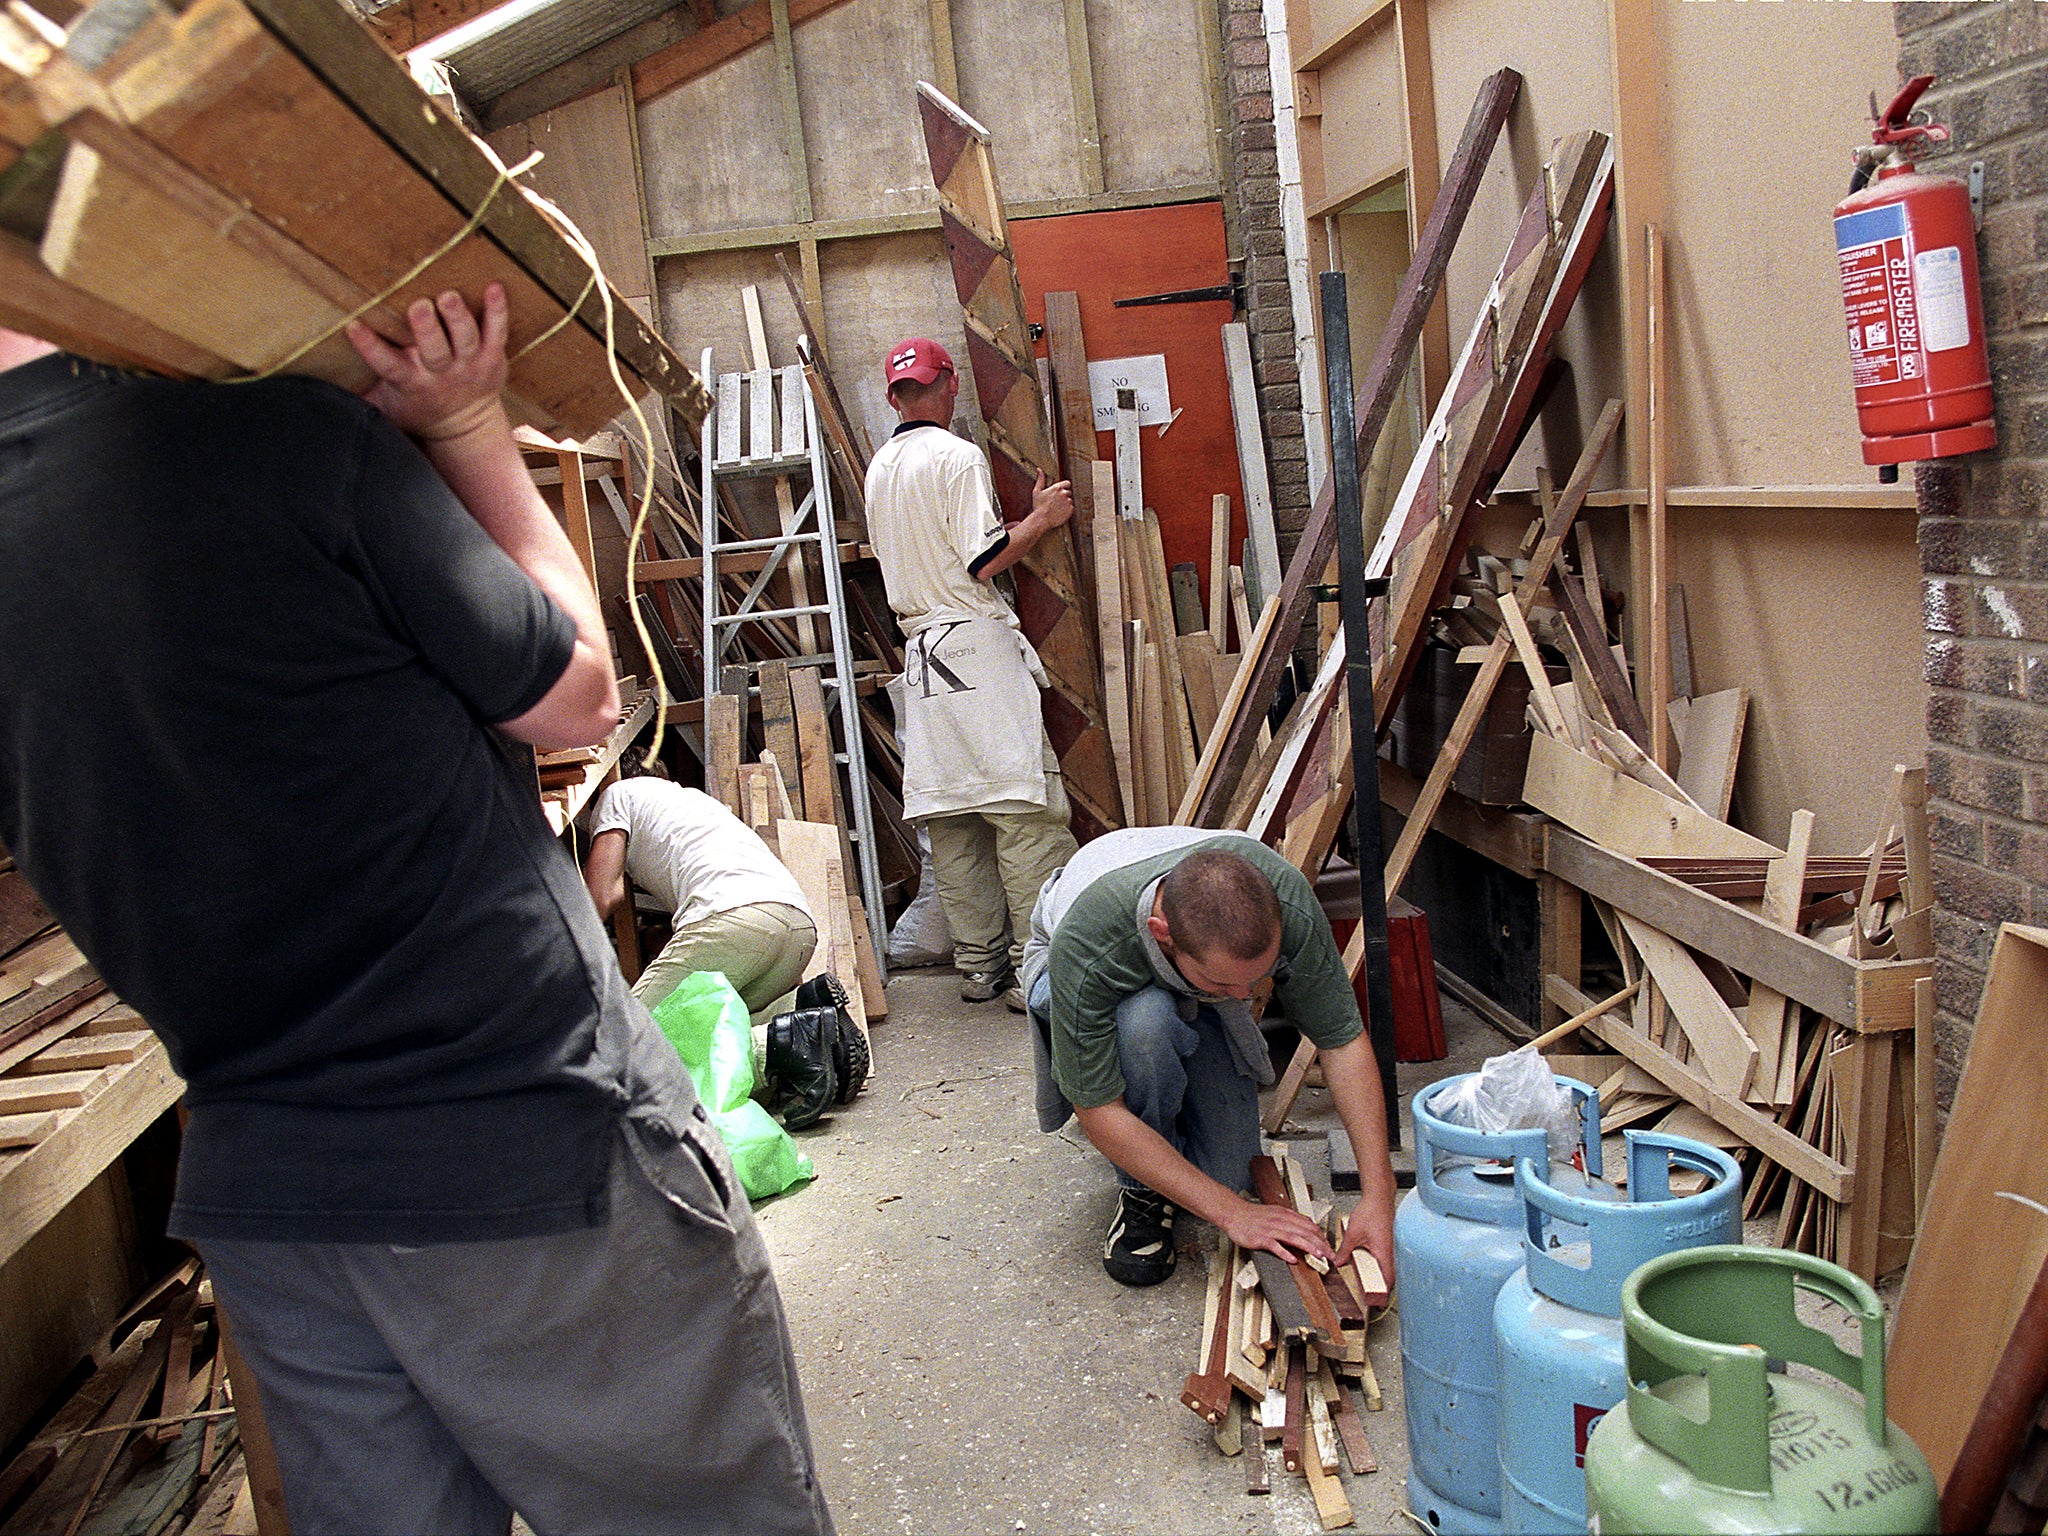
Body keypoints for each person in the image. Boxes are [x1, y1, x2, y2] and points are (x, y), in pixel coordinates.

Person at [0, 290, 833, 1534]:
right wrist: (469, 425)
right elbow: (576, 696)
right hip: (522, 1137)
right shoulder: (270, 434)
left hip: (272, 1197)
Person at [1020, 828, 1398, 1291]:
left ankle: (1166, 1100)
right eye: (1226, 985)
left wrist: (1379, 1198)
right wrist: (1234, 1214)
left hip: (1174, 963)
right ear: (1163, 935)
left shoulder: (1285, 899)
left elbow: (1342, 1043)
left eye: (1257, 979)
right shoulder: (1089, 947)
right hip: (1069, 961)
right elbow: (1099, 1111)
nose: (1246, 997)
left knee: (1228, 1172)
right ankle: (1140, 1194)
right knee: (1145, 1022)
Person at [863, 337, 1078, 1010]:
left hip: (922, 660)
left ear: (894, 395)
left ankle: (978, 969)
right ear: (949, 387)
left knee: (954, 821)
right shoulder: (956, 457)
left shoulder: (880, 467)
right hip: (974, 653)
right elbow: (982, 561)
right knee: (1024, 815)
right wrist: (1041, 521)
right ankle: (1030, 970)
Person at [583, 765, 856, 1125]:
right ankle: (803, 1010)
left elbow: (602, 896)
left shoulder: (615, 796)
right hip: (796, 925)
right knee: (713, 1023)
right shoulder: (691, 802)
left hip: (734, 919)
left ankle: (781, 1046)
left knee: (624, 1044)